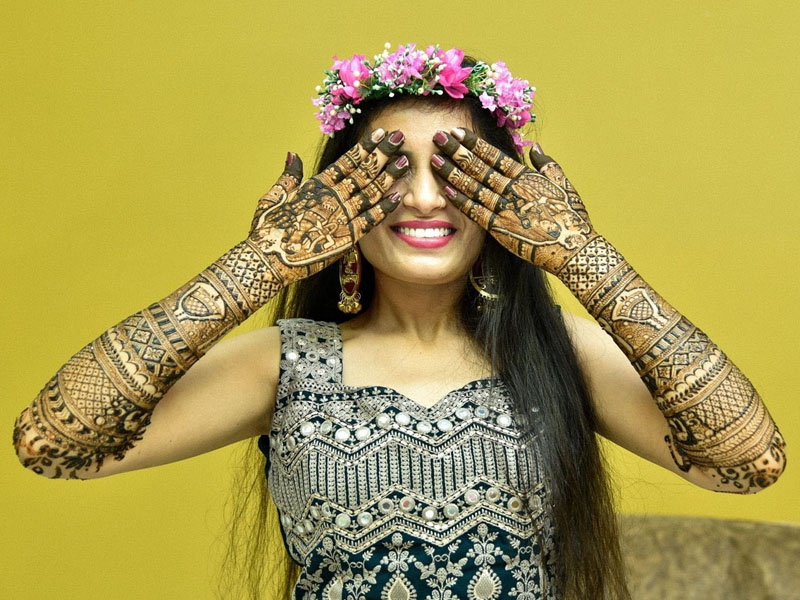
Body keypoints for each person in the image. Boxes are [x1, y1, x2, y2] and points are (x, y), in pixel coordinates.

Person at [11, 42, 787, 600]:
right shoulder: (287, 365)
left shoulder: (559, 356)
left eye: (455, 171)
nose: (422, 198)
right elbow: (52, 442)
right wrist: (259, 265)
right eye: (389, 170)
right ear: (339, 197)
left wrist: (583, 257)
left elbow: (749, 462)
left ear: (505, 199)